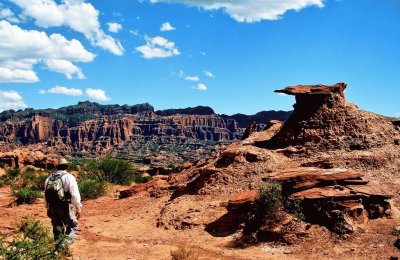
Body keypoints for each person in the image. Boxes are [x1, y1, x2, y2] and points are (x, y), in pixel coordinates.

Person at [44, 158, 82, 252]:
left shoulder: (49, 178)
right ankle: (63, 247)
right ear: (67, 167)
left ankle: (57, 249)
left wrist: (47, 207)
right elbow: (74, 195)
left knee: (57, 228)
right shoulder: (69, 177)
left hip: (52, 207)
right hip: (64, 206)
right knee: (73, 226)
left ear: (58, 167)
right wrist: (78, 208)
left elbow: (45, 194)